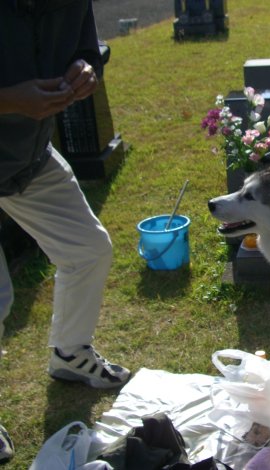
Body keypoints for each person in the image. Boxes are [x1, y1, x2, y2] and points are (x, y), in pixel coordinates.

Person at [0, 0, 131, 462]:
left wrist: (85, 70)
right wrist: (10, 100)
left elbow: (86, 50)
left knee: (87, 249)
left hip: (27, 157)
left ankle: (70, 355)